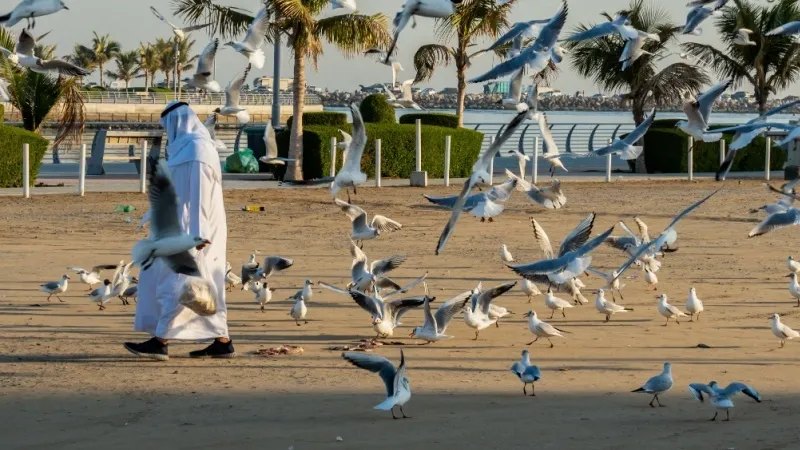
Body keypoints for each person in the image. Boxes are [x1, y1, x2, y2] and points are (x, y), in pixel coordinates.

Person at [124, 102, 234, 360]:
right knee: (200, 287)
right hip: (181, 228)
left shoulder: (196, 150)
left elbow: (197, 198)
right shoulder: (187, 149)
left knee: (178, 284)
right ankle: (222, 341)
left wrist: (196, 236)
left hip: (194, 230)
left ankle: (160, 341)